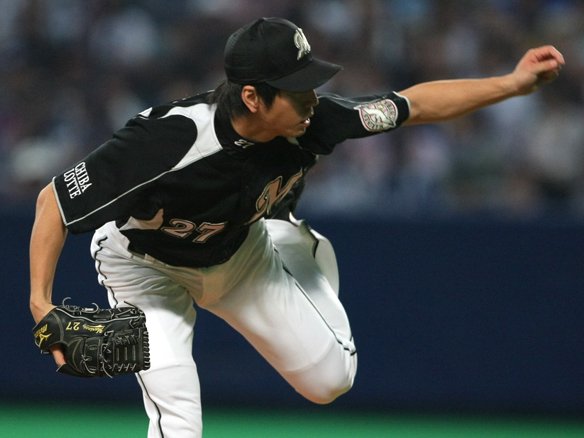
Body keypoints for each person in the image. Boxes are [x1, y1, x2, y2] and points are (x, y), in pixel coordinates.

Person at [29, 16, 564, 438]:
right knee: (178, 417)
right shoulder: (169, 140)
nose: (312, 98)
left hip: (242, 256)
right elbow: (53, 202)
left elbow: (414, 105)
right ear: (252, 97)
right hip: (147, 269)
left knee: (330, 380)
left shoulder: (316, 120)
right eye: (296, 89)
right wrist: (41, 304)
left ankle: (291, 239)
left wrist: (511, 83)